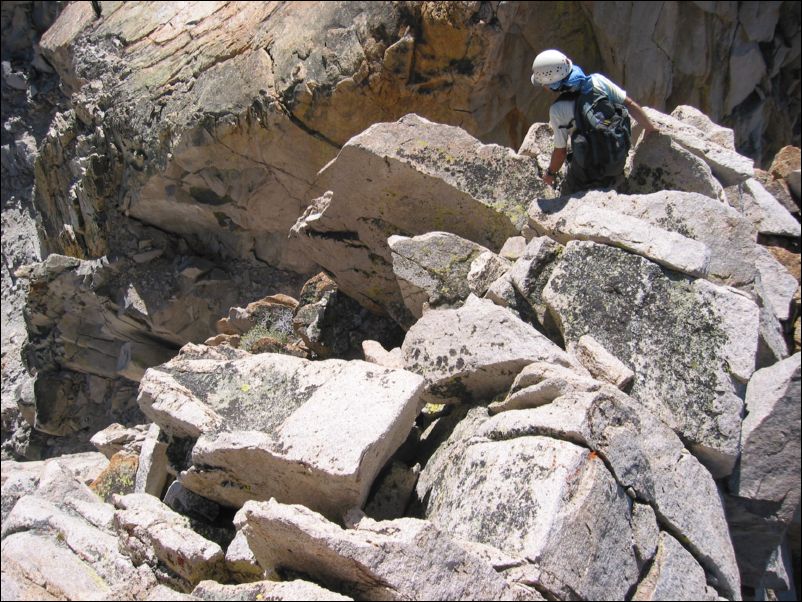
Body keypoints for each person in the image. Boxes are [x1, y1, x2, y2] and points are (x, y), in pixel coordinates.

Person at [531, 49, 658, 195]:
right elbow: (629, 104)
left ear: (551, 85)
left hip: (587, 172)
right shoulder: (598, 81)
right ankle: (615, 179)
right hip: (617, 158)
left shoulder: (558, 110)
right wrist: (650, 128)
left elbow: (560, 153)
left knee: (568, 188)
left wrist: (550, 174)